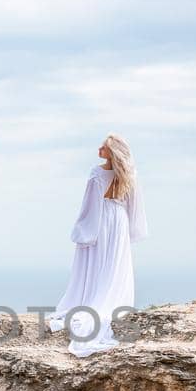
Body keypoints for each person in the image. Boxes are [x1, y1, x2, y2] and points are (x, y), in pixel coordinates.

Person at [47, 133, 148, 356]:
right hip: (120, 221)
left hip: (101, 220)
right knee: (113, 263)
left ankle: (92, 298)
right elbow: (134, 207)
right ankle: (109, 299)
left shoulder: (97, 173)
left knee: (97, 261)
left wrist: (83, 231)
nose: (98, 150)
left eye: (103, 147)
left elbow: (90, 205)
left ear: (111, 152)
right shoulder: (130, 174)